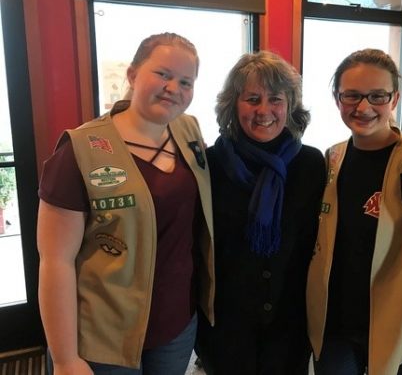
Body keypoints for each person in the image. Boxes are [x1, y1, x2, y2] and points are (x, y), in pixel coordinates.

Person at [37, 32, 213, 375]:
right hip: (105, 337)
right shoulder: (80, 150)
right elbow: (55, 262)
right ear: (132, 75)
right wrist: (64, 358)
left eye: (185, 81)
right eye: (162, 74)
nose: (173, 88)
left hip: (175, 326)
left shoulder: (189, 133)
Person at [306, 48, 402, 375]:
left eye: (377, 96)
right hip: (337, 329)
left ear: (395, 99)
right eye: (352, 96)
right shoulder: (332, 159)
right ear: (337, 99)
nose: (363, 107)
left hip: (400, 330)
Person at [195, 51, 326, 374]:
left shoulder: (311, 165)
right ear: (232, 104)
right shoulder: (210, 164)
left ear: (290, 105)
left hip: (290, 323)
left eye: (275, 99)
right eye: (252, 99)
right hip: (225, 326)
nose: (264, 111)